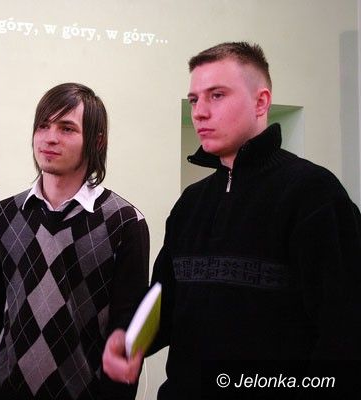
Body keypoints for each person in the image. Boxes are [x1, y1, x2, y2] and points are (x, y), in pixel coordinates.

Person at [102, 42, 361, 398]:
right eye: (194, 100)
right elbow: (164, 302)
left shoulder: (314, 194)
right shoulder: (191, 203)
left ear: (261, 102)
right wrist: (131, 339)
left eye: (217, 95)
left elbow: (344, 332)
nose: (200, 112)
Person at [0, 83, 150, 399]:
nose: (50, 137)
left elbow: (126, 334)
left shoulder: (124, 222)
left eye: (67, 128)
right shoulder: (3, 216)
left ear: (96, 141)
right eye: (43, 126)